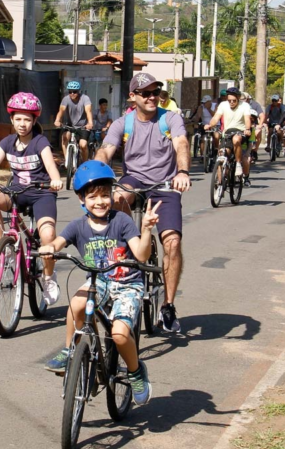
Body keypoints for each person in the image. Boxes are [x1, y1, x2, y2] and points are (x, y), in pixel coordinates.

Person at [41, 161, 155, 405]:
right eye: (93, 197)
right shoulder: (77, 225)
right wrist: (48, 248)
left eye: (105, 195)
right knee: (76, 305)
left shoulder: (122, 222)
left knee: (120, 334)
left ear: (112, 196)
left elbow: (142, 255)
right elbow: (58, 243)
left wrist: (145, 229)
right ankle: (70, 350)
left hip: (127, 285)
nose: (100, 201)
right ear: (82, 200)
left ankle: (136, 372)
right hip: (98, 281)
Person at [96, 72, 192, 333]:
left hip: (165, 184)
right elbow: (106, 149)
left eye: (156, 92)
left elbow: (181, 143)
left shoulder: (169, 118)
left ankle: (169, 306)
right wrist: (94, 171)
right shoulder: (122, 123)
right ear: (133, 96)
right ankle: (119, 258)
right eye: (146, 93)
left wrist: (182, 172)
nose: (152, 97)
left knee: (172, 243)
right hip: (134, 180)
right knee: (115, 199)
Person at [0, 92, 63, 303]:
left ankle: (48, 278)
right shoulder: (7, 142)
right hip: (16, 192)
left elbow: (50, 166)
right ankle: (5, 250)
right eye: (18, 119)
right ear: (11, 119)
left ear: (34, 120)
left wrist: (56, 180)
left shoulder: (40, 142)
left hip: (42, 193)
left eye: (27, 119)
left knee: (47, 236)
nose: (22, 124)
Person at [206, 87, 252, 186]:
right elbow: (216, 117)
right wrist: (210, 125)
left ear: (239, 98)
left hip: (240, 131)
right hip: (227, 133)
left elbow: (247, 119)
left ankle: (239, 164)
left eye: (234, 101)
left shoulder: (245, 106)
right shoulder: (223, 105)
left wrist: (247, 129)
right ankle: (220, 181)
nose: (231, 102)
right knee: (222, 154)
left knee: (236, 139)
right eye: (229, 100)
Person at [54, 81, 94, 161]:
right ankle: (67, 161)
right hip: (70, 125)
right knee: (65, 137)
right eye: (70, 92)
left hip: (83, 126)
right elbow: (61, 111)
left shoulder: (85, 98)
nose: (72, 94)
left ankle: (84, 164)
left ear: (78, 91)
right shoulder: (66, 99)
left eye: (74, 92)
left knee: (83, 145)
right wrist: (57, 120)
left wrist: (90, 123)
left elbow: (88, 111)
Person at [242, 92, 266, 162]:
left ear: (248, 99)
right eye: (241, 99)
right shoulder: (238, 105)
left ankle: (254, 151)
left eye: (244, 99)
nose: (243, 100)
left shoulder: (255, 105)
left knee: (257, 132)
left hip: (253, 124)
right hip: (241, 124)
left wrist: (260, 124)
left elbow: (261, 115)